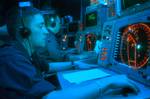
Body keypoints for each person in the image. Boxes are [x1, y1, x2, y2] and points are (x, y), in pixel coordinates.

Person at [0, 6, 139, 99]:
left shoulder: (25, 51)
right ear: (24, 31)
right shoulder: (12, 58)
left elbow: (48, 67)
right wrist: (108, 82)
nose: (45, 32)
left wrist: (76, 64)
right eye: (41, 26)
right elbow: (53, 97)